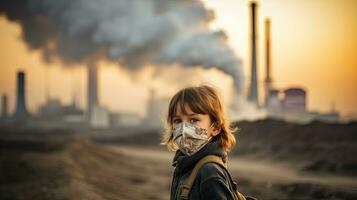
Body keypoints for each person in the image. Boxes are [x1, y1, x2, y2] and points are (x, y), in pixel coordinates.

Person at [162, 85, 247, 200]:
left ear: (215, 128)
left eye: (194, 120)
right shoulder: (184, 164)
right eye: (177, 121)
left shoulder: (210, 172)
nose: (183, 128)